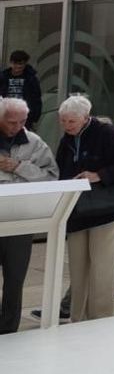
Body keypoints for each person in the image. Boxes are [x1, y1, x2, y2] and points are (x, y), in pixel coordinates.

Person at [56, 95, 114, 321]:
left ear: (85, 117)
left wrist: (100, 175)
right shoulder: (67, 139)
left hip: (105, 211)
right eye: (63, 121)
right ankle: (78, 318)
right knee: (78, 269)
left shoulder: (106, 133)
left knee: (103, 268)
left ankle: (100, 319)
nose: (66, 126)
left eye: (71, 121)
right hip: (77, 211)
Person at [0, 96, 57, 332]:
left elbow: (52, 177)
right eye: (12, 122)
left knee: (15, 280)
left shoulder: (34, 142)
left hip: (20, 220)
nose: (18, 127)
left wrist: (19, 167)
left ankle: (8, 330)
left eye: (23, 121)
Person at [3, 52, 42, 131]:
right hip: (5, 115)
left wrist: (34, 118)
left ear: (25, 64)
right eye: (15, 63)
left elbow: (36, 98)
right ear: (11, 63)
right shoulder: (3, 77)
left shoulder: (31, 79)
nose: (18, 66)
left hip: (24, 117)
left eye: (20, 64)